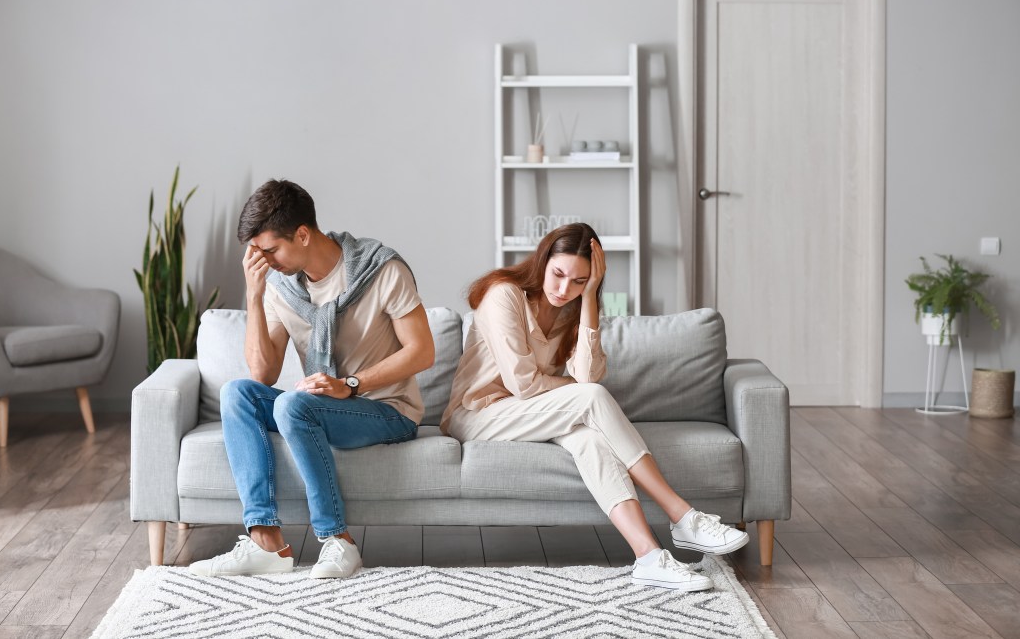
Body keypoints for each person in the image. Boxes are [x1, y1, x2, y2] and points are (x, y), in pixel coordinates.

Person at [440, 223, 747, 591]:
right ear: (542, 261)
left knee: (590, 440)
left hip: (536, 412)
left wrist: (589, 301)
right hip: (479, 415)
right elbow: (526, 384)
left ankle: (648, 556)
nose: (563, 289)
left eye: (578, 281)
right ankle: (682, 515)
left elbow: (587, 373)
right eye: (558, 274)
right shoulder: (503, 295)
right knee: (592, 399)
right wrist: (573, 389)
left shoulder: (572, 309)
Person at [190, 180, 435, 579]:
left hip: (388, 411)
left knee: (292, 403)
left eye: (270, 250)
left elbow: (422, 351)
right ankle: (267, 544)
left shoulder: (381, 268)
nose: (265, 261)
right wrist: (253, 296)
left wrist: (351, 384)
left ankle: (338, 540)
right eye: (257, 253)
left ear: (302, 234)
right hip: (320, 409)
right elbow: (262, 374)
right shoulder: (281, 288)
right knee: (238, 393)